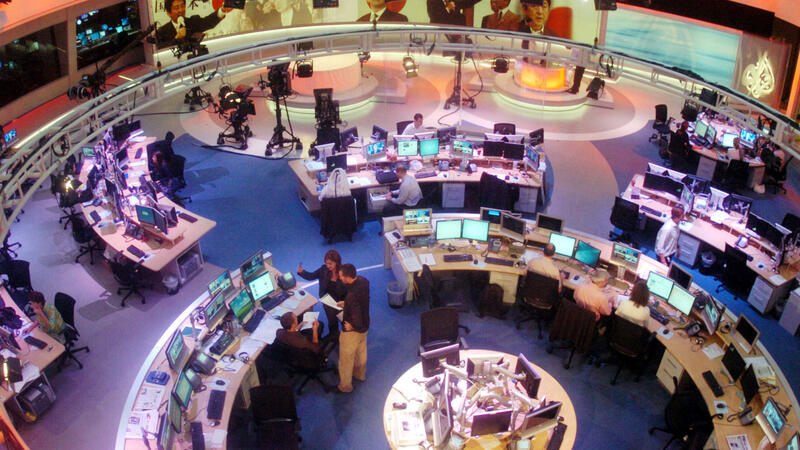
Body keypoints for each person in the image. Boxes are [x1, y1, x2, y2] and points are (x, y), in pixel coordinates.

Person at [297, 250, 347, 340]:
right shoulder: (323, 270)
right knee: (331, 320)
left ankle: (346, 334)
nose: (328, 266)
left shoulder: (343, 272)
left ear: (336, 262)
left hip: (341, 301)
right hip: (327, 300)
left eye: (330, 264)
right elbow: (311, 276)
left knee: (344, 319)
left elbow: (349, 287)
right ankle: (334, 335)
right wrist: (302, 272)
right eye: (326, 263)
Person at [335, 264, 369, 393]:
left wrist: (352, 326)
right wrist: (347, 304)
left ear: (348, 277)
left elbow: (356, 316)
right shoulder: (364, 281)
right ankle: (360, 375)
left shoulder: (351, 296)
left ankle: (345, 386)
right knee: (361, 352)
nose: (340, 278)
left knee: (346, 359)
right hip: (365, 326)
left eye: (341, 276)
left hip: (353, 331)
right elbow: (361, 303)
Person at [156, 0, 227, 48]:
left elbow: (208, 22)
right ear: (168, 13)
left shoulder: (193, 22)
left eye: (182, 6)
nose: (180, 10)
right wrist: (176, 39)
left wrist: (222, 10)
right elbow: (161, 49)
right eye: (176, 8)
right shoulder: (162, 32)